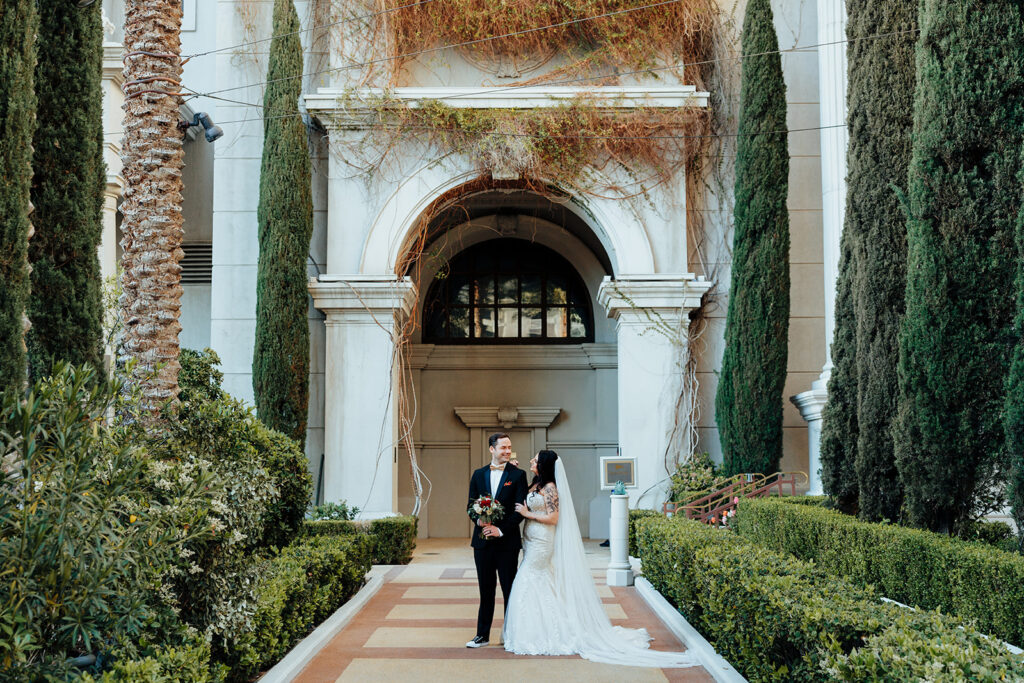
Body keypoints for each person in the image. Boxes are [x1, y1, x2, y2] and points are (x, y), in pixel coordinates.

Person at [502, 450, 698, 668]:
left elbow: (554, 517)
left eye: (536, 459)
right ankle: (542, 626)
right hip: (530, 539)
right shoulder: (535, 484)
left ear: (544, 464)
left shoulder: (550, 488)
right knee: (541, 581)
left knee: (529, 578)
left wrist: (529, 514)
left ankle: (543, 632)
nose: (532, 460)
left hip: (542, 541)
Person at [465, 432, 528, 648]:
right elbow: (470, 506)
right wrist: (480, 521)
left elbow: (519, 511)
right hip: (482, 544)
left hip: (507, 543)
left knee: (510, 590)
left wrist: (499, 530)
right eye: (503, 448)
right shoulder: (478, 474)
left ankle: (511, 635)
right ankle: (482, 635)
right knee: (486, 590)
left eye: (509, 447)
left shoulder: (518, 475)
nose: (507, 451)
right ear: (492, 449)